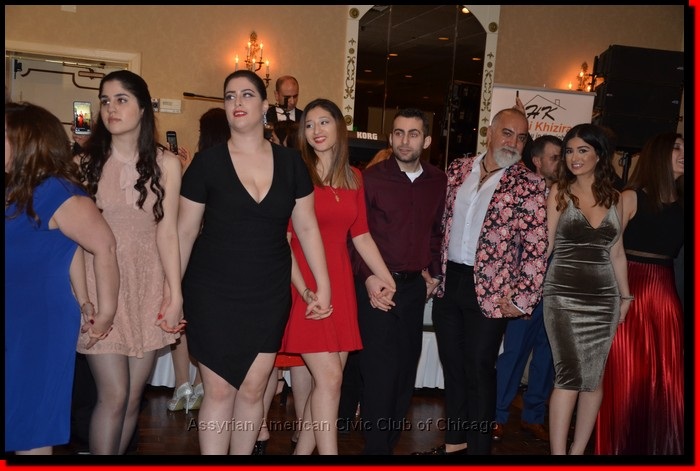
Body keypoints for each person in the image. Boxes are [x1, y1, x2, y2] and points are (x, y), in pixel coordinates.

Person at [177, 69, 332, 455]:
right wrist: (172, 294)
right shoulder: (206, 163)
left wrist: (322, 286)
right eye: (230, 96)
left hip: (268, 291)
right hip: (211, 291)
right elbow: (184, 233)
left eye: (247, 95)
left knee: (253, 389)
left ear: (265, 105)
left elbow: (307, 228)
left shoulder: (292, 163)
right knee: (218, 390)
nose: (237, 102)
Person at [415, 107, 548, 456]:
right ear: (489, 132)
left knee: (479, 368)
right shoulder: (459, 169)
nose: (513, 142)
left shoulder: (530, 184)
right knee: (454, 368)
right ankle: (455, 445)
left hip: (491, 292)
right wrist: (429, 268)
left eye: (521, 137)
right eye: (507, 133)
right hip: (450, 282)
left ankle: (478, 450)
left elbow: (536, 247)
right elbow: (438, 224)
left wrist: (522, 298)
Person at [278, 98, 396, 455]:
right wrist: (305, 290)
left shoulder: (354, 177)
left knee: (328, 385)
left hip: (341, 285)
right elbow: (284, 240)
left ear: (339, 128)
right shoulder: (295, 173)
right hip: (305, 285)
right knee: (330, 379)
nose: (316, 130)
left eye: (324, 122)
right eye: (309, 125)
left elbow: (361, 236)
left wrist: (386, 277)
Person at [75, 70, 185, 455]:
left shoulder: (167, 164)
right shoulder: (84, 161)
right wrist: (82, 296)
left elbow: (168, 232)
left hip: (147, 283)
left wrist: (174, 293)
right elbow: (72, 239)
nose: (111, 108)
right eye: (105, 101)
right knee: (114, 394)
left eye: (121, 99)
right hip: (101, 283)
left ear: (143, 108)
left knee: (134, 397)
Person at [5, 101, 119, 454]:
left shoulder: (59, 192)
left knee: (32, 425)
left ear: (27, 141)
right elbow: (68, 250)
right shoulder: (14, 188)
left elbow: (104, 247)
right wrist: (83, 297)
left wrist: (105, 313)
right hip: (15, 315)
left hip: (37, 324)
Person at [354, 108, 447, 455]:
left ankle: (386, 447)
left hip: (413, 290)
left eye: (412, 134)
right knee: (378, 374)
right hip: (376, 287)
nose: (404, 141)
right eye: (398, 133)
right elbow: (355, 235)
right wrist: (368, 279)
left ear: (426, 140)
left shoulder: (438, 181)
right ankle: (376, 451)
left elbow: (437, 232)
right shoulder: (371, 179)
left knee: (405, 374)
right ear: (390, 137)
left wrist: (434, 273)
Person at [543, 123, 632, 455]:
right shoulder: (559, 192)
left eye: (582, 150)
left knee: (593, 378)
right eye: (569, 151)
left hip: (604, 299)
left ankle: (578, 453)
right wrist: (523, 285)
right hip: (561, 297)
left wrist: (625, 296)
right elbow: (546, 246)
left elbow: (617, 252)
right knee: (568, 375)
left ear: (599, 155)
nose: (574, 157)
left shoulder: (616, 198)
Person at [595, 132, 684, 455]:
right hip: (628, 289)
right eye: (677, 148)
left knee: (666, 379)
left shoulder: (686, 203)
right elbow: (606, 250)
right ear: (658, 155)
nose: (685, 154)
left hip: (665, 294)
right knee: (627, 376)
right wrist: (618, 295)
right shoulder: (631, 197)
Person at [493, 134, 562, 442]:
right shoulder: (520, 191)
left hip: (557, 284)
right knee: (515, 352)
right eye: (554, 157)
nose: (561, 163)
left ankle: (533, 416)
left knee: (547, 354)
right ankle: (497, 414)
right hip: (524, 283)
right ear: (537, 160)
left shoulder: (568, 195)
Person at [167, 107, 230, 415]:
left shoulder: (200, 166)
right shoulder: (231, 166)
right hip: (218, 255)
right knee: (208, 322)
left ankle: (182, 384)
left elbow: (181, 218)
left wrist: (181, 170)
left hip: (191, 252)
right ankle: (202, 382)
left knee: (182, 319)